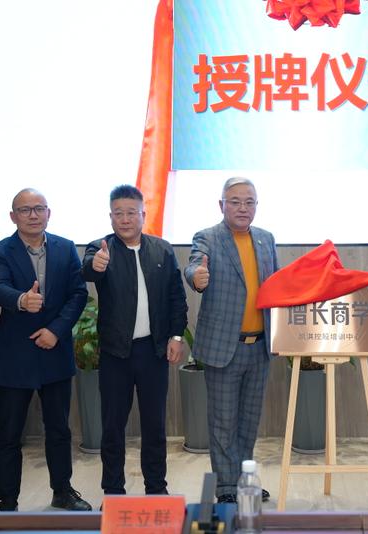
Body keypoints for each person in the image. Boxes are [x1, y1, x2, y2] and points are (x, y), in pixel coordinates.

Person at [0, 188, 91, 512]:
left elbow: (78, 293)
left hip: (54, 350)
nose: (33, 215)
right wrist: (21, 300)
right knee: (9, 434)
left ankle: (63, 491)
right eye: (25, 209)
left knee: (59, 429)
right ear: (13, 216)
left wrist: (56, 330)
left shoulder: (65, 247)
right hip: (15, 356)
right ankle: (8, 501)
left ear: (48, 213)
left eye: (39, 208)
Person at [82, 185, 187, 496]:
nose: (125, 219)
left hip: (153, 351)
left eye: (131, 213)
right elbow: (88, 270)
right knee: (113, 427)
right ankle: (113, 491)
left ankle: (156, 488)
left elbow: (176, 297)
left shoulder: (162, 250)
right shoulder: (100, 248)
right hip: (116, 353)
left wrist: (176, 335)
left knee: (155, 426)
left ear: (143, 214)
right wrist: (96, 265)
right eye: (119, 213)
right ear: (111, 216)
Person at [184, 177, 278, 503]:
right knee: (223, 423)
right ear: (221, 205)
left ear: (256, 206)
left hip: (259, 347)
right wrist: (196, 277)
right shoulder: (207, 237)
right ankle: (226, 488)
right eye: (235, 201)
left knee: (249, 423)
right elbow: (194, 266)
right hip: (224, 347)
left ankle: (244, 481)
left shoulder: (266, 239)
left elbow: (274, 288)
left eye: (249, 202)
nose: (242, 208)